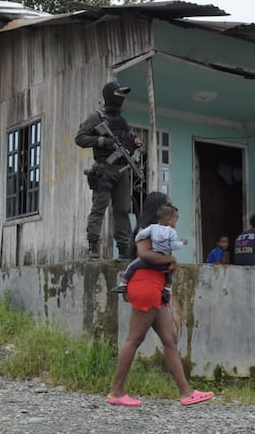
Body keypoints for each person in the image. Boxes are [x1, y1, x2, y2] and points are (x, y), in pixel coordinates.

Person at [106, 191, 214, 408]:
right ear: (159, 211)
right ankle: (116, 392)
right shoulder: (146, 232)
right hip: (146, 286)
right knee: (134, 339)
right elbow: (144, 255)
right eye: (168, 206)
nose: (172, 210)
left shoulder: (161, 232)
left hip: (154, 287)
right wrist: (171, 258)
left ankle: (186, 392)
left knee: (170, 339)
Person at [75, 80, 144, 259]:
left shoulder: (121, 121)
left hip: (122, 170)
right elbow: (80, 138)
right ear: (109, 95)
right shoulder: (96, 117)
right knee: (99, 208)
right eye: (119, 94)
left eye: (123, 94)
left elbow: (126, 142)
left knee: (122, 209)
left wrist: (135, 143)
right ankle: (93, 246)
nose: (121, 97)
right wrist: (103, 142)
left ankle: (123, 249)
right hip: (104, 169)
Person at [111, 204, 187, 301]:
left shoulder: (152, 228)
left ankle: (123, 284)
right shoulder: (171, 232)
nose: (175, 224)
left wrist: (137, 240)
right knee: (170, 274)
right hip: (163, 262)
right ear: (169, 220)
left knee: (132, 266)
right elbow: (175, 246)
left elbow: (141, 235)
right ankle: (166, 290)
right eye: (175, 221)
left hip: (149, 261)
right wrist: (182, 242)